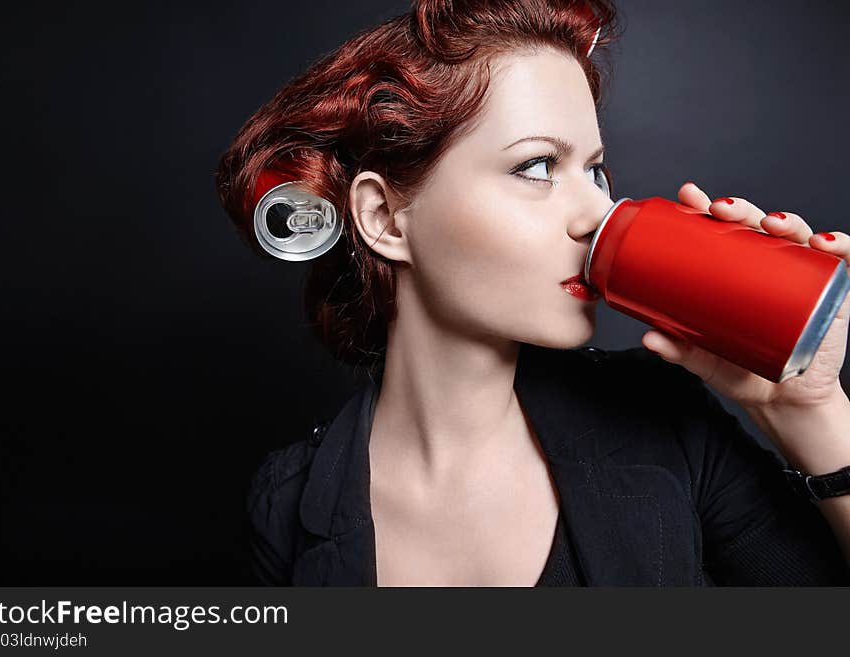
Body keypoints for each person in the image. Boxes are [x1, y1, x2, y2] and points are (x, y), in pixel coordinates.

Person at [215, 0, 850, 586]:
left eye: (595, 169)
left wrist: (809, 411)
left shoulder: (667, 426)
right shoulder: (289, 506)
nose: (597, 213)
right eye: (537, 167)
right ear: (384, 218)